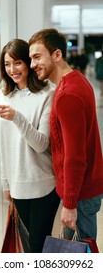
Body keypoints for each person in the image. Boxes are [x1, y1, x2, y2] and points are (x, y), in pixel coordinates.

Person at [29, 28, 103, 240]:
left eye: (37, 57)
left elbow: (75, 156)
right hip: (82, 190)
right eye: (31, 58)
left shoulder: (68, 94)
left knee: (82, 255)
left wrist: (70, 204)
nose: (33, 64)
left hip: (80, 194)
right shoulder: (75, 81)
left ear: (57, 55)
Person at [0, 39, 60, 253]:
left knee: (38, 248)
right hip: (17, 185)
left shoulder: (48, 94)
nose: (12, 70)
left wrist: (17, 117)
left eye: (17, 63)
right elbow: (1, 144)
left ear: (29, 63)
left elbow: (41, 144)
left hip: (43, 184)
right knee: (29, 246)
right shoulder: (2, 96)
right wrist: (5, 183)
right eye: (7, 64)